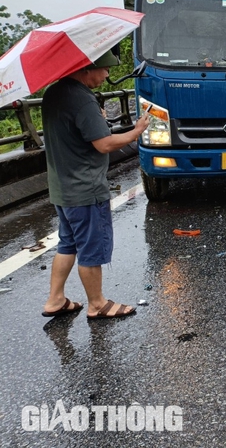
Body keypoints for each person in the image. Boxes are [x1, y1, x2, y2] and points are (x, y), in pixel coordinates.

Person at [41, 51, 150, 320]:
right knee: (91, 249)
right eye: (104, 70)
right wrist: (137, 131)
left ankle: (55, 299)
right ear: (88, 69)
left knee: (68, 244)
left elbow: (76, 129)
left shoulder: (54, 92)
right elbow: (104, 144)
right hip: (85, 189)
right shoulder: (82, 100)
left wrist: (96, 117)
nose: (107, 76)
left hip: (62, 187)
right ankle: (97, 304)